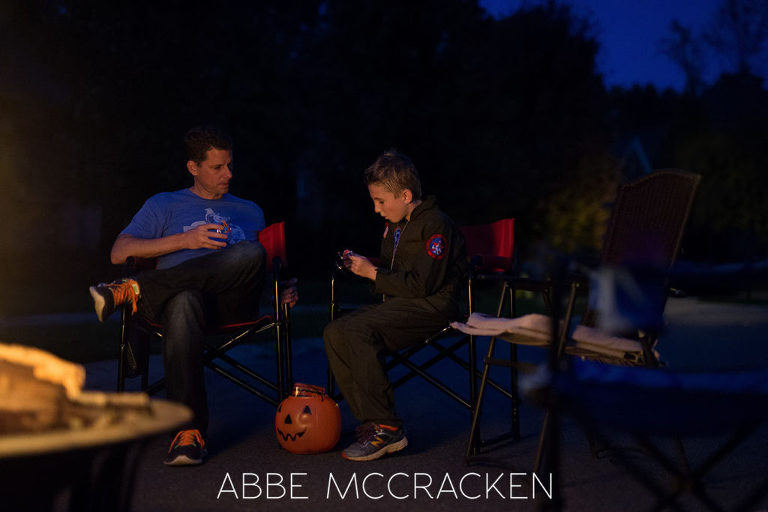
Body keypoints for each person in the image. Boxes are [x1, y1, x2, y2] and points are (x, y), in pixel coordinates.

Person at [89, 126, 297, 466]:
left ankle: (134, 290)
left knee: (249, 253)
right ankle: (188, 432)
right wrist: (186, 241)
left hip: (233, 305)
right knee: (184, 299)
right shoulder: (164, 204)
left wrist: (284, 288)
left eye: (229, 165)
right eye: (217, 167)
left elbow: (264, 272)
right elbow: (119, 252)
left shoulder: (250, 210)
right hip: (181, 306)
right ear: (193, 168)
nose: (228, 174)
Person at [323, 150, 467, 461]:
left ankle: (388, 427)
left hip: (433, 306)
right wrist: (361, 265)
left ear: (404, 194)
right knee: (335, 331)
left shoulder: (436, 225)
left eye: (380, 201)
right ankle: (372, 422)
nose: (376, 209)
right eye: (373, 201)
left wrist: (372, 273)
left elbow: (422, 286)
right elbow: (391, 272)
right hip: (402, 306)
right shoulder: (397, 225)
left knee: (360, 328)